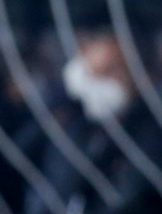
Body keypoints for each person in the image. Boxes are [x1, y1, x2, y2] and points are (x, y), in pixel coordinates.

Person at [21, 30, 162, 214]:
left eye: (110, 71)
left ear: (143, 76)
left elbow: (129, 198)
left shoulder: (152, 135)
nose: (96, 84)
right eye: (92, 73)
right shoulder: (77, 128)